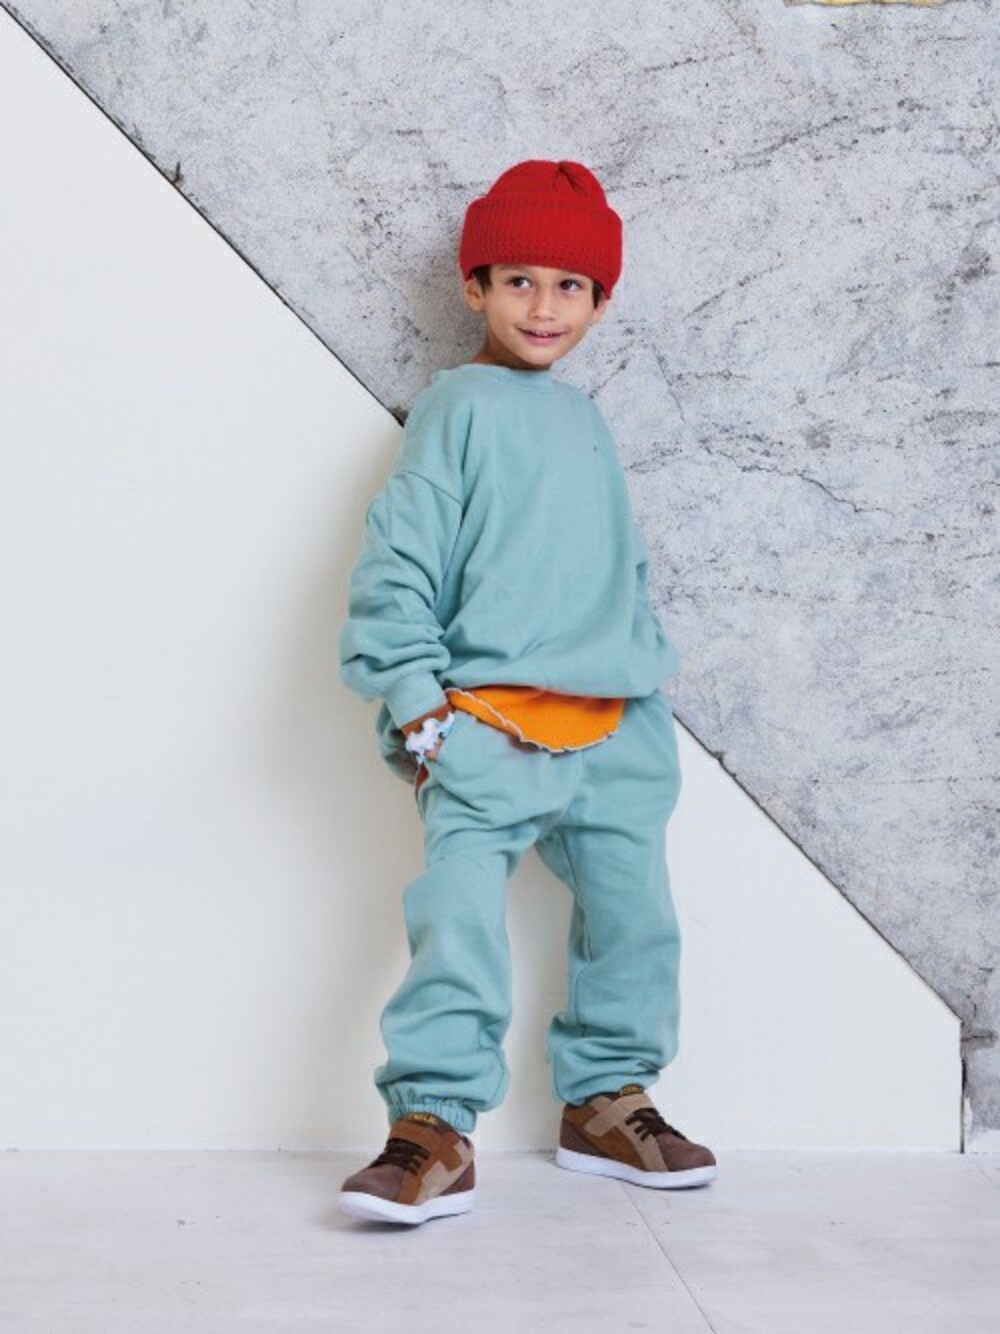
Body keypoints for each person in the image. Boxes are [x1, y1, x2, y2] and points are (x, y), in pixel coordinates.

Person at [336, 159, 716, 1226]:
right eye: (518, 281)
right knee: (457, 919)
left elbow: (617, 567)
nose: (544, 307)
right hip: (485, 721)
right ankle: (431, 1125)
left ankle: (607, 1099)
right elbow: (398, 562)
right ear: (475, 286)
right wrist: (417, 701)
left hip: (616, 724)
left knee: (635, 920)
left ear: (600, 301)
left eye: (570, 286)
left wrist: (641, 682)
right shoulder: (454, 409)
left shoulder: (585, 419)